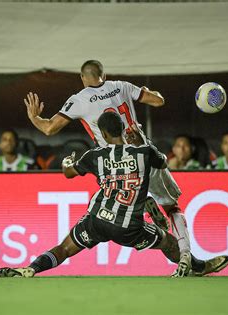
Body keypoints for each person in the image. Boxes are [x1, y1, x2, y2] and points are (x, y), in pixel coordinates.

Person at [22, 60, 215, 276]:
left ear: (83, 78)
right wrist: (149, 91)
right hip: (144, 154)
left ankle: (144, 203)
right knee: (171, 207)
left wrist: (34, 117)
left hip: (113, 166)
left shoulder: (78, 100)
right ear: (103, 75)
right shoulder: (121, 86)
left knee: (114, 197)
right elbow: (158, 100)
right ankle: (185, 252)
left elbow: (49, 128)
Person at [0, 112, 228, 278]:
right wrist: (142, 143)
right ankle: (195, 266)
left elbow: (68, 173)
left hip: (97, 220)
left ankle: (32, 268)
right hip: (129, 228)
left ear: (105, 134)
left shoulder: (94, 156)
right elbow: (163, 161)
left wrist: (67, 162)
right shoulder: (144, 152)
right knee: (167, 241)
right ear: (122, 131)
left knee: (64, 248)